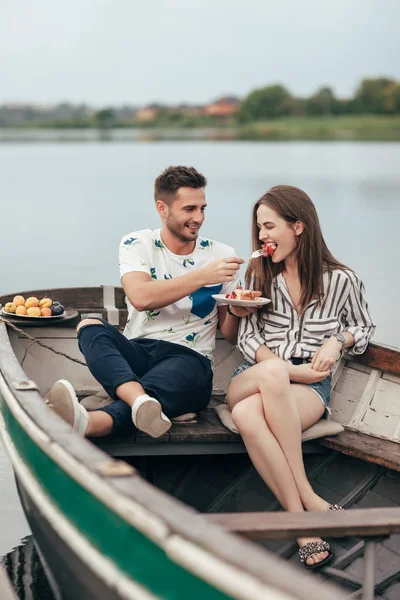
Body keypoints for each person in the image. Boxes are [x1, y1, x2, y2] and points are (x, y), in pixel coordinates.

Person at [225, 185, 375, 570]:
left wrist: (337, 341)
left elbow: (363, 327)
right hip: (254, 375)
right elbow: (247, 337)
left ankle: (300, 523)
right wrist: (284, 368)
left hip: (312, 385)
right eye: (259, 228)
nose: (262, 236)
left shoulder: (342, 280)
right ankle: (310, 497)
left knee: (246, 416)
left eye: (270, 226)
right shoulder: (258, 273)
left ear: (299, 226)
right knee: (272, 370)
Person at [46, 166, 250, 439]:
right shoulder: (138, 243)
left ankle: (97, 420)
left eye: (202, 208)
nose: (198, 218)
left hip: (190, 360)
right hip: (137, 353)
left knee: (173, 379)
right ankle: (140, 400)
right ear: (162, 208)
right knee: (90, 326)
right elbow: (141, 298)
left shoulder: (222, 254)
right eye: (189, 209)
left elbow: (229, 333)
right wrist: (203, 276)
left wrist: (237, 309)